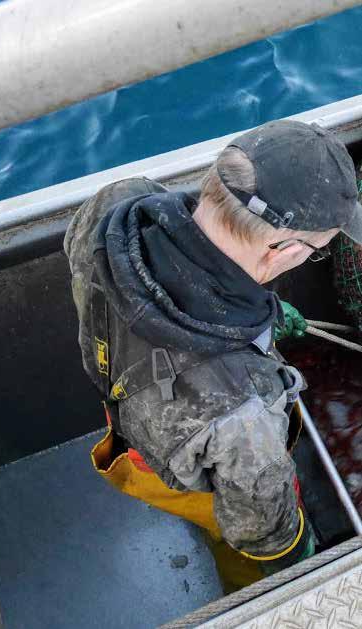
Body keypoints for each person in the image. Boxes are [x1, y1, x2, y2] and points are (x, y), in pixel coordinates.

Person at [64, 119, 362, 591]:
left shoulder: (120, 203)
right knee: (247, 546)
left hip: (129, 410)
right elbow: (262, 527)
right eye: (318, 251)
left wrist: (261, 314)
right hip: (173, 469)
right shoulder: (244, 413)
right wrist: (298, 557)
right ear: (281, 250)